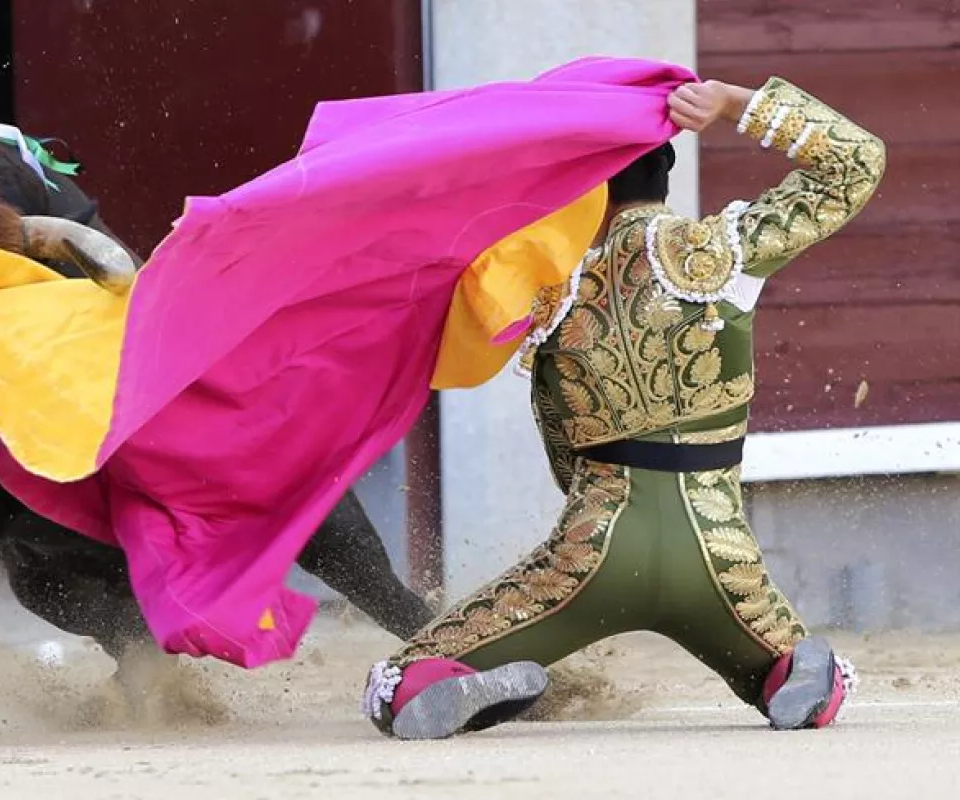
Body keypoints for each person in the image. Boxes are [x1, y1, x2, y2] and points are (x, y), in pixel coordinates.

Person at [360, 75, 887, 740]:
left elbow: (563, 455)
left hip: (594, 554)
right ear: (665, 175)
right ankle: (796, 677)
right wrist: (735, 104)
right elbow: (855, 163)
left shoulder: (553, 307)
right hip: (719, 556)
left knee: (400, 682)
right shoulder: (717, 253)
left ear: (587, 192)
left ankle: (448, 685)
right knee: (783, 661)